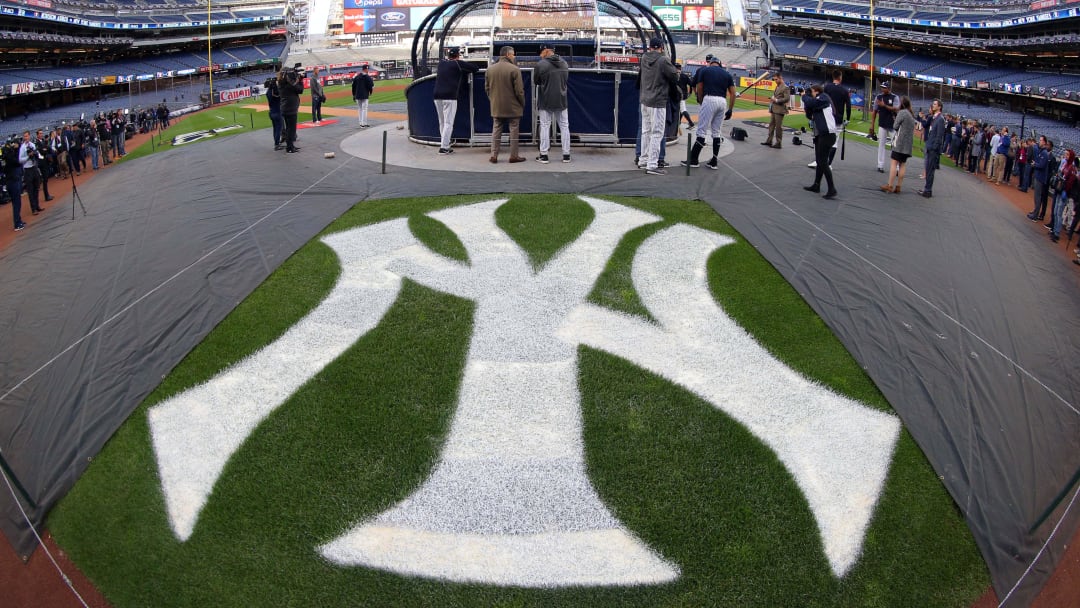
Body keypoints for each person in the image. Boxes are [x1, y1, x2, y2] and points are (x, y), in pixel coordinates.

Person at [680, 54, 733, 172]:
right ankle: (714, 162)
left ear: (710, 63)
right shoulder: (727, 74)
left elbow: (699, 86)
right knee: (716, 132)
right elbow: (733, 93)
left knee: (701, 130)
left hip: (709, 99)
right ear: (719, 64)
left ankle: (693, 160)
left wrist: (700, 98)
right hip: (722, 101)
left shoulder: (705, 70)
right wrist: (730, 109)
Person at [637, 37, 678, 175]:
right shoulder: (662, 59)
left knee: (646, 131)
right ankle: (652, 165)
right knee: (657, 133)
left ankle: (643, 160)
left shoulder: (644, 57)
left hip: (644, 99)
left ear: (650, 47)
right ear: (661, 47)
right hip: (658, 101)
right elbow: (674, 76)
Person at [432, 47, 478, 155]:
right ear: (458, 55)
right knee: (448, 123)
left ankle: (445, 144)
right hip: (450, 96)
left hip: (437, 95)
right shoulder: (458, 63)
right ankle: (444, 147)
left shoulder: (441, 64)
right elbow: (475, 68)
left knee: (442, 122)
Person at [484, 46, 525, 164]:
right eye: (513, 54)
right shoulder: (514, 69)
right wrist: (522, 103)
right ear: (508, 55)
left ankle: (494, 155)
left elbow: (487, 88)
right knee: (514, 130)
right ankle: (514, 156)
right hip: (513, 106)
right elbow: (519, 91)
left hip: (496, 105)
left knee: (496, 129)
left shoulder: (490, 69)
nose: (514, 56)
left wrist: (493, 100)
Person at [534, 43, 571, 164]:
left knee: (545, 126)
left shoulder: (541, 64)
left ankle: (544, 155)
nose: (540, 54)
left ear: (546, 51)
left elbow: (536, 81)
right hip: (561, 99)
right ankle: (566, 155)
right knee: (564, 126)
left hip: (545, 100)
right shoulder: (564, 63)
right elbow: (565, 80)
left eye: (541, 52)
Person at [801, 83, 838, 199]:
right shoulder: (817, 102)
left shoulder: (824, 97)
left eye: (811, 91)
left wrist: (804, 96)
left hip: (828, 134)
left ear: (816, 91)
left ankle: (832, 189)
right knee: (820, 160)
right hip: (822, 134)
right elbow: (809, 114)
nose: (810, 94)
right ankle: (816, 185)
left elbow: (812, 102)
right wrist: (807, 103)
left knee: (823, 162)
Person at [881, 96, 915, 194]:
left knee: (894, 163)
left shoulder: (902, 113)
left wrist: (896, 118)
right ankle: (898, 186)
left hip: (899, 142)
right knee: (902, 164)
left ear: (902, 104)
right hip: (908, 145)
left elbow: (895, 126)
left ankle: (890, 185)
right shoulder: (911, 115)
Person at [869, 81, 899, 173]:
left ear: (889, 88)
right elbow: (874, 111)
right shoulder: (879, 97)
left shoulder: (895, 97)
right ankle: (880, 165)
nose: (882, 89)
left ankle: (897, 168)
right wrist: (872, 125)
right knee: (881, 145)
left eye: (884, 87)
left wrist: (884, 105)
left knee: (895, 146)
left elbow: (896, 109)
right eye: (882, 87)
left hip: (892, 125)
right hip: (882, 124)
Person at [918, 98, 945, 198]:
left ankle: (928, 190)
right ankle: (927, 189)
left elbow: (939, 136)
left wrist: (934, 148)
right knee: (928, 169)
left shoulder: (940, 119)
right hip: (930, 146)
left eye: (934, 104)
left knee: (930, 170)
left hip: (933, 149)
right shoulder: (934, 118)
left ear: (939, 107)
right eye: (933, 104)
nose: (932, 105)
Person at [823, 69, 851, 166]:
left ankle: (820, 161)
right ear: (840, 77)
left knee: (823, 140)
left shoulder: (826, 87)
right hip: (837, 119)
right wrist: (848, 119)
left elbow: (821, 100)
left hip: (826, 117)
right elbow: (848, 106)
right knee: (834, 142)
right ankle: (828, 164)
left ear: (833, 77)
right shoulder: (844, 90)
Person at [1050, 149, 1077, 242]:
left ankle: (1056, 233)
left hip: (1063, 192)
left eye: (1068, 155)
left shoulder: (1071, 168)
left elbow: (1070, 182)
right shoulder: (1065, 164)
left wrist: (1065, 190)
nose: (1066, 156)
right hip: (1059, 189)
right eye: (1066, 154)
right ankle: (1053, 230)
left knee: (1059, 213)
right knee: (1055, 211)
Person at [278, 64, 304, 153]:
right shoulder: (287, 84)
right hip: (290, 109)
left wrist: (296, 80)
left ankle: (290, 146)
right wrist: (300, 80)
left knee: (290, 128)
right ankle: (289, 147)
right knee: (291, 129)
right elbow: (300, 90)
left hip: (286, 108)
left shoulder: (282, 83)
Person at [1028, 136, 1054, 222]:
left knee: (1038, 197)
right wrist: (1036, 163)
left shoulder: (1044, 153)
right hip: (1038, 175)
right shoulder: (1041, 151)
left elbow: (1042, 165)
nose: (1039, 142)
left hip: (1040, 177)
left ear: (1044, 142)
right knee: (1036, 196)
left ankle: (1035, 215)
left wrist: (1035, 165)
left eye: (1041, 140)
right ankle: (1035, 211)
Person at [761, 73, 789, 149]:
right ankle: (769, 141)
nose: (775, 81)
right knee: (771, 125)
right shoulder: (778, 86)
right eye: (774, 79)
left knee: (778, 127)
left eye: (776, 79)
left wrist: (776, 100)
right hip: (774, 108)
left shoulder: (785, 87)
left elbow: (787, 99)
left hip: (780, 109)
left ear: (780, 78)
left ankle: (778, 143)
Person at [18, 131, 42, 216]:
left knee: (36, 187)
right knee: (30, 190)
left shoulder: (32, 144)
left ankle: (37, 205)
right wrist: (28, 156)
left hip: (34, 167)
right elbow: (20, 160)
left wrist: (37, 155)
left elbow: (36, 153)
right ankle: (33, 208)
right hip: (27, 169)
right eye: (24, 136)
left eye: (27, 136)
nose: (26, 138)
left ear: (29, 136)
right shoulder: (22, 148)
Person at [265, 75, 284, 150]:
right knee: (278, 129)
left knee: (275, 128)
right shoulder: (275, 92)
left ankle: (276, 143)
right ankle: (277, 144)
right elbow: (278, 95)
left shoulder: (268, 92)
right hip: (277, 112)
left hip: (271, 111)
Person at [675, 63, 695, 129]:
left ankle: (691, 123)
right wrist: (690, 92)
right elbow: (691, 84)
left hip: (678, 95)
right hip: (684, 94)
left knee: (682, 109)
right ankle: (679, 122)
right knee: (680, 109)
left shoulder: (674, 75)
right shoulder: (684, 76)